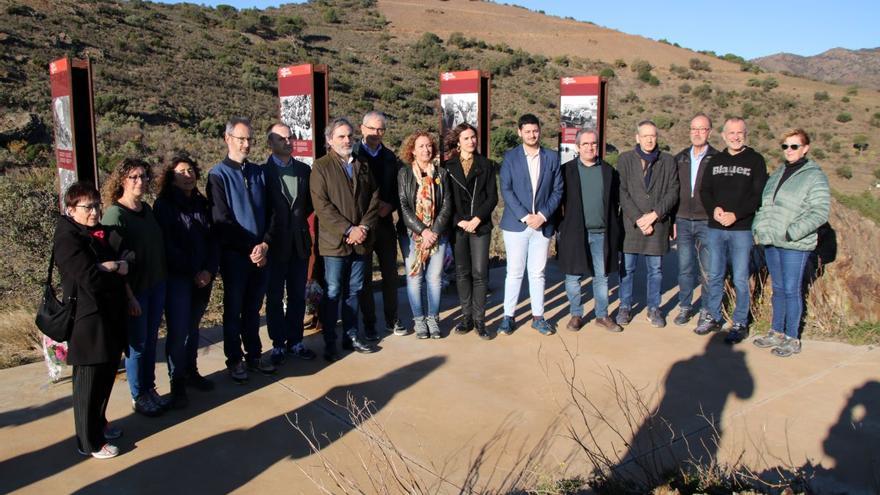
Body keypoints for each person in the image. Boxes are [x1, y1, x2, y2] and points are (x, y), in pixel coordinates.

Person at [54, 182, 129, 459]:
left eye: (97, 205)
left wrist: (113, 265)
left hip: (107, 316)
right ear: (71, 209)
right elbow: (90, 278)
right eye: (88, 207)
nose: (95, 211)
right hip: (88, 320)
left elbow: (120, 258)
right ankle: (88, 441)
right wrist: (113, 268)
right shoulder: (67, 237)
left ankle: (100, 424)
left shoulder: (93, 233)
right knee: (88, 383)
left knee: (106, 375)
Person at [206, 117, 276, 383]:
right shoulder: (217, 175)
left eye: (249, 139)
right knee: (234, 309)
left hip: (261, 253)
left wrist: (265, 244)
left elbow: (272, 213)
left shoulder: (258, 172)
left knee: (254, 308)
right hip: (235, 255)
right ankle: (234, 359)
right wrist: (252, 247)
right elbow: (221, 219)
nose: (246, 144)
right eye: (241, 139)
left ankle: (255, 355)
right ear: (228, 139)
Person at [752, 129, 830, 357]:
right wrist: (759, 226)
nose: (789, 151)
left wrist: (792, 232)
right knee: (777, 288)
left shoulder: (814, 175)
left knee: (791, 289)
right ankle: (776, 331)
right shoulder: (778, 173)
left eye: (794, 146)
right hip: (772, 241)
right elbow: (766, 205)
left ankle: (792, 337)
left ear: (805, 148)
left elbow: (820, 211)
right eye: (785, 146)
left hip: (794, 243)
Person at [101, 158, 169, 416]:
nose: (140, 182)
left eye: (143, 176)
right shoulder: (115, 215)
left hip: (156, 285)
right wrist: (129, 297)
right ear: (121, 181)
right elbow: (115, 260)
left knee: (151, 341)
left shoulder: (147, 209)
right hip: (135, 291)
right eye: (133, 177)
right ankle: (138, 394)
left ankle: (150, 389)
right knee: (136, 345)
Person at [310, 117, 381, 361]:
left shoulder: (362, 163)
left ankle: (351, 335)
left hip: (361, 241)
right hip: (334, 242)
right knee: (333, 291)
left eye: (349, 135)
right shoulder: (321, 167)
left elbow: (374, 196)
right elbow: (322, 205)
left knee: (355, 290)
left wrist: (363, 227)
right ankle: (330, 340)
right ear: (330, 140)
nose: (347, 140)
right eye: (341, 136)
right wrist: (348, 229)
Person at [153, 153, 219, 408]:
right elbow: (167, 246)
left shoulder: (202, 203)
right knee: (179, 330)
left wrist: (208, 270)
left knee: (193, 328)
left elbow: (214, 238)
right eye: (182, 171)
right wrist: (194, 271)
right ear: (171, 176)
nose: (188, 175)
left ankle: (191, 372)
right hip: (179, 278)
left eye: (191, 170)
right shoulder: (164, 205)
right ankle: (176, 381)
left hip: (204, 276)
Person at [696, 117, 768, 343]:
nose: (735, 137)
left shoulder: (755, 160)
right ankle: (713, 316)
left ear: (745, 134)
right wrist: (714, 209)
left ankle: (740, 322)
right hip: (716, 228)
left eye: (740, 133)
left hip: (741, 229)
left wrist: (735, 214)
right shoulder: (716, 160)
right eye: (731, 133)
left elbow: (758, 195)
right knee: (715, 274)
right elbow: (705, 191)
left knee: (740, 277)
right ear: (724, 135)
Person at [498, 114, 563, 336]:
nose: (532, 135)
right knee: (514, 272)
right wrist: (526, 216)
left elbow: (558, 190)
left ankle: (538, 316)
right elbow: (506, 189)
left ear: (539, 131)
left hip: (542, 225)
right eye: (527, 131)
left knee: (538, 273)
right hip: (517, 225)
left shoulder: (552, 158)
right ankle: (508, 317)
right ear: (520, 132)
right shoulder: (510, 157)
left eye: (535, 131)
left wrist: (542, 216)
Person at [557, 128, 623, 333]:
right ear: (577, 147)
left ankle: (602, 315)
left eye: (593, 143)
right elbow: (556, 200)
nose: (589, 147)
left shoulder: (608, 171)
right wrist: (561, 225)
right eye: (585, 144)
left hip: (601, 233)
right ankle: (576, 314)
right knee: (573, 276)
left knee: (601, 276)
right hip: (574, 232)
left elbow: (616, 202)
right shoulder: (566, 171)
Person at [262, 123, 317, 366]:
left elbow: (308, 205)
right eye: (281, 138)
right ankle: (277, 344)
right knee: (274, 296)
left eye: (290, 137)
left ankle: (295, 341)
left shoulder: (304, 170)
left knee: (296, 295)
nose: (288, 141)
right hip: (274, 245)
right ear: (270, 143)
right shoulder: (262, 174)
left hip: (299, 243)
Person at [617, 120, 679, 328]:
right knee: (627, 269)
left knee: (656, 271)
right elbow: (622, 192)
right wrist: (639, 218)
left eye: (652, 135)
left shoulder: (668, 161)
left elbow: (673, 191)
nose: (649, 139)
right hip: (631, 226)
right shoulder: (625, 159)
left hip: (658, 225)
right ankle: (625, 306)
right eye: (645, 136)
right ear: (637, 138)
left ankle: (654, 308)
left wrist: (654, 215)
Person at [353, 111, 406, 338]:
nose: (376, 134)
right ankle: (370, 322)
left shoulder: (389, 157)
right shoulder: (352, 154)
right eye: (372, 129)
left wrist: (391, 205)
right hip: (361, 224)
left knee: (390, 274)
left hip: (384, 224)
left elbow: (397, 189)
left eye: (380, 129)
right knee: (364, 276)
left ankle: (392, 318)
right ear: (362, 128)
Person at [444, 123, 498, 340]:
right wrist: (459, 221)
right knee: (461, 272)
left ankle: (479, 320)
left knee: (480, 273)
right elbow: (446, 198)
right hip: (458, 227)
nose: (471, 141)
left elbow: (492, 197)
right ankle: (466, 317)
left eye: (473, 137)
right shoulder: (448, 167)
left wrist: (477, 219)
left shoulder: (486, 165)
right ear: (458, 142)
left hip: (480, 225)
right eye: (466, 138)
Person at [398, 131, 452, 339]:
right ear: (412, 150)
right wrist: (423, 230)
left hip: (438, 235)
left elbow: (447, 205)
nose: (426, 150)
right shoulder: (404, 174)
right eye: (421, 146)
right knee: (415, 277)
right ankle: (419, 320)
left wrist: (435, 231)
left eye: (429, 146)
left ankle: (433, 319)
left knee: (435, 278)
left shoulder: (441, 174)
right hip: (412, 235)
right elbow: (404, 206)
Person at [672, 113, 719, 326]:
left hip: (707, 221)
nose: (698, 133)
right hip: (682, 219)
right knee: (685, 267)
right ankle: (685, 306)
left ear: (709, 132)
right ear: (689, 131)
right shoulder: (680, 158)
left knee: (707, 269)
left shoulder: (717, 159)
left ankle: (706, 310)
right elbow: (673, 191)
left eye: (702, 129)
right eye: (694, 129)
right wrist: (672, 219)